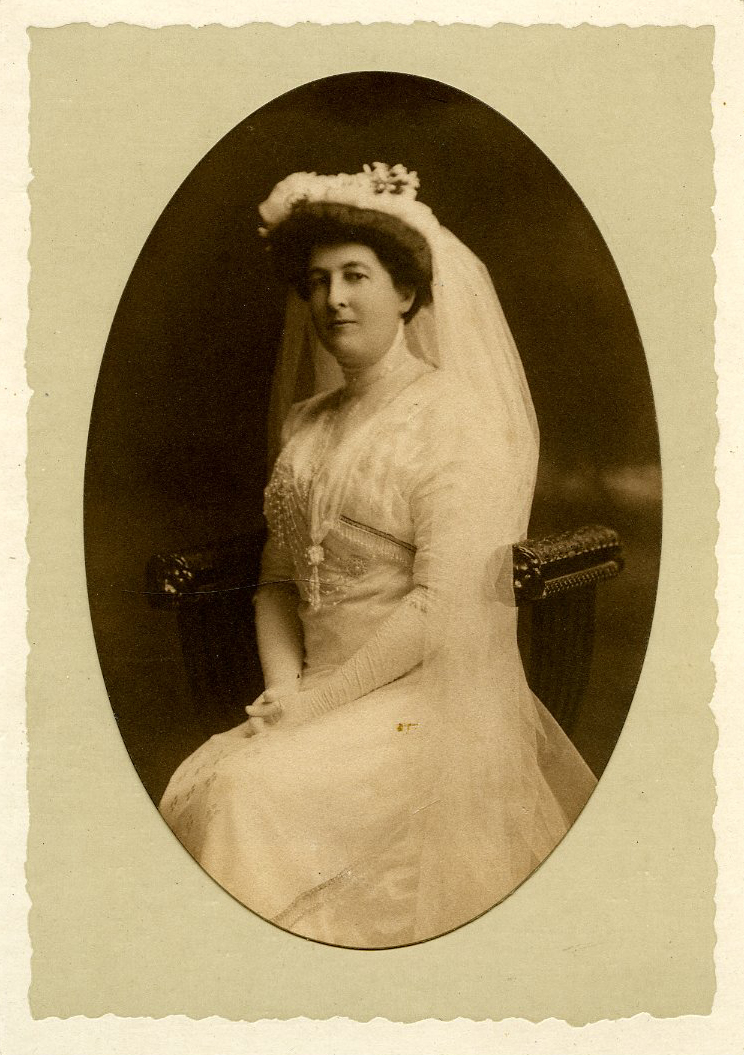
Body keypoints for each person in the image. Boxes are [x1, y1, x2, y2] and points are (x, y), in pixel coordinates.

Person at [159, 163, 597, 948]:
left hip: (425, 703)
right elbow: (278, 579)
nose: (333, 300)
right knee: (212, 782)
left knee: (243, 795)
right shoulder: (305, 422)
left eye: (357, 275)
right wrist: (286, 689)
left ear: (407, 294)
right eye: (319, 279)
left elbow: (441, 607)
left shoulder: (455, 418)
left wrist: (314, 709)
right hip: (310, 695)